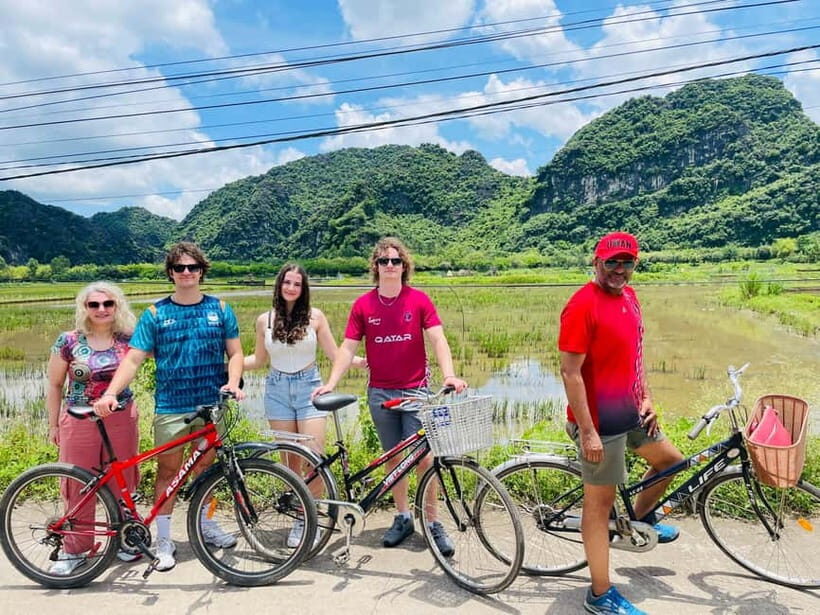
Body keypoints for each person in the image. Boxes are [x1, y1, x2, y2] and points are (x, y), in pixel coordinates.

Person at [94, 242, 245, 572]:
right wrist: (111, 392)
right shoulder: (155, 313)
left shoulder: (221, 309)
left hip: (211, 404)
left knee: (208, 470)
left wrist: (233, 383)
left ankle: (205, 524)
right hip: (171, 406)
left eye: (192, 267)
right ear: (171, 274)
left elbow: (235, 353)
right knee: (168, 472)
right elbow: (133, 358)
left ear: (202, 271)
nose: (187, 273)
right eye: (180, 269)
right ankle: (164, 539)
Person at [313, 237, 467, 555]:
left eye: (396, 261)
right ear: (376, 267)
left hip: (415, 391)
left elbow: (438, 339)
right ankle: (403, 517)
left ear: (404, 266)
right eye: (384, 261)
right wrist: (331, 382)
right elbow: (347, 348)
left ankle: (433, 522)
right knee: (394, 459)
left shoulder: (419, 300)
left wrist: (449, 373)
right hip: (380, 393)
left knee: (425, 459)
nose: (390, 266)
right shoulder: (363, 305)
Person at [558, 231, 685, 615]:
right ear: (596, 262)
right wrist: (588, 431)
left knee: (672, 462)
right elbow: (569, 372)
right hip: (599, 423)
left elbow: (635, 354)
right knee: (599, 507)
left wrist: (645, 395)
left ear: (635, 265)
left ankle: (640, 519)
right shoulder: (581, 306)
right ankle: (599, 594)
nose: (619, 269)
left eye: (627, 262)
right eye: (611, 261)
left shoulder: (630, 297)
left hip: (631, 411)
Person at [243, 262, 365, 547]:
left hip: (310, 388)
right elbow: (259, 360)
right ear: (279, 284)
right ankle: (300, 515)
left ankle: (306, 518)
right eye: (287, 282)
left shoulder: (316, 317)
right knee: (289, 462)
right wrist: (229, 365)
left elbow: (336, 353)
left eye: (297, 284)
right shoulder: (265, 321)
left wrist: (361, 361)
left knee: (315, 460)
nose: (291, 288)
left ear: (303, 288)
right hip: (276, 390)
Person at [45, 282, 140, 575]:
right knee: (78, 485)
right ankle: (75, 549)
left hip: (121, 417)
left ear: (117, 306)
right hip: (78, 420)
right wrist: (52, 424)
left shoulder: (130, 339)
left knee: (123, 480)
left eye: (108, 304)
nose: (101, 310)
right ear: (84, 308)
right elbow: (55, 383)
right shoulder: (68, 341)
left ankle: (125, 539)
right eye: (94, 304)